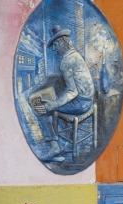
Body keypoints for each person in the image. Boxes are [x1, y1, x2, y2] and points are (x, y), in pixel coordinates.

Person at [33, 25, 95, 162]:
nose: (54, 49)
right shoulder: (76, 55)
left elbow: (72, 91)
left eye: (55, 45)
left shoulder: (66, 61)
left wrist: (53, 104)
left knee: (41, 109)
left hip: (80, 103)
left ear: (62, 43)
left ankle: (54, 146)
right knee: (55, 101)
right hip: (87, 100)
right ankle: (64, 141)